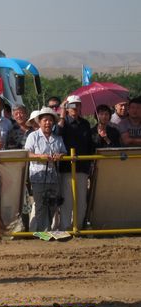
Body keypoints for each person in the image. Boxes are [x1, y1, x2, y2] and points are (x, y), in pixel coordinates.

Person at [24, 107, 66, 232]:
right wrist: (40, 156)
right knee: (41, 206)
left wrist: (60, 156)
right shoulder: (33, 136)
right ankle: (43, 233)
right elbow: (27, 153)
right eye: (45, 120)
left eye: (50, 120)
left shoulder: (58, 138)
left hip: (54, 177)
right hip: (38, 176)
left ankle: (46, 231)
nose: (47, 123)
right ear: (40, 122)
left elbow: (64, 152)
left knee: (53, 205)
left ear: (53, 122)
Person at [57, 95, 93, 230]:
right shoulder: (63, 122)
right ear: (67, 107)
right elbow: (57, 131)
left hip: (82, 167)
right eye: (72, 105)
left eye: (78, 105)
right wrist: (62, 113)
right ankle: (65, 227)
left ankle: (78, 226)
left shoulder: (85, 124)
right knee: (67, 200)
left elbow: (89, 145)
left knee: (81, 201)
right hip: (67, 167)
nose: (75, 108)